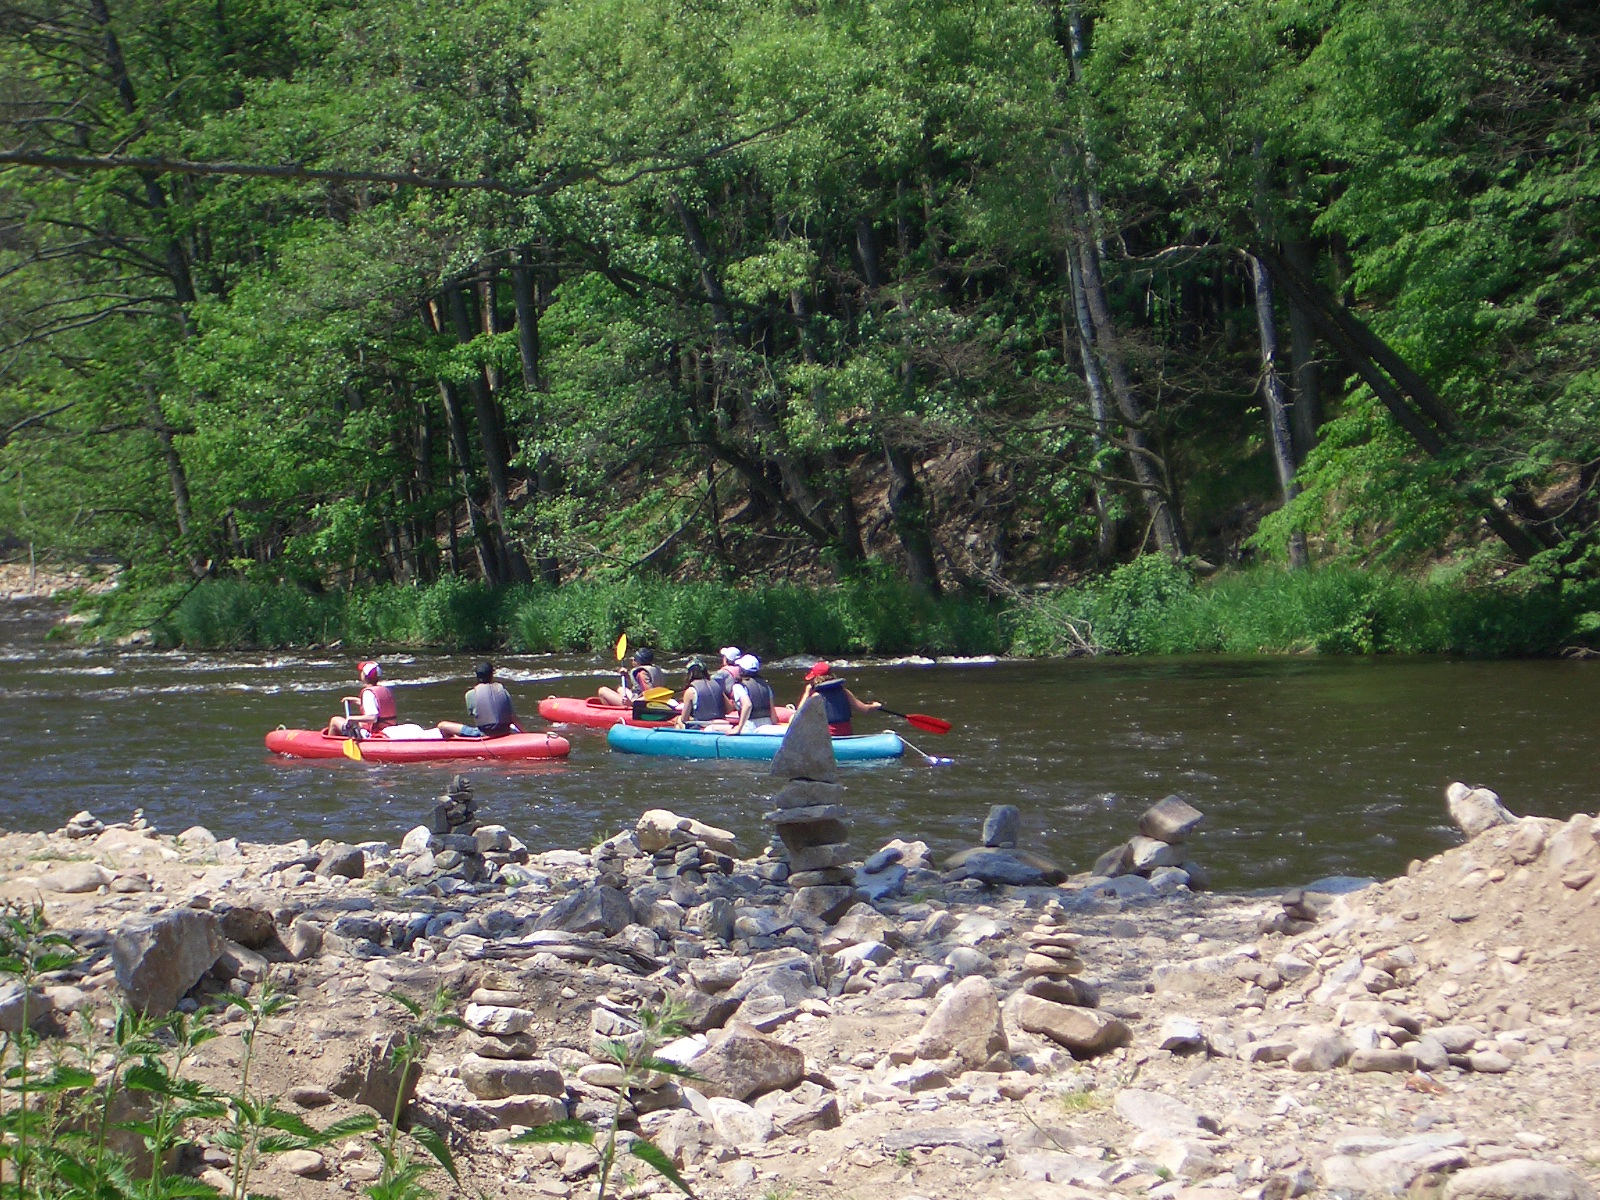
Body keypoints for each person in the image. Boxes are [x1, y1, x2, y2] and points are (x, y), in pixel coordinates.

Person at [796, 661, 882, 736]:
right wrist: (875, 706)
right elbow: (865, 709)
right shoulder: (844, 691)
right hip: (846, 734)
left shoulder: (816, 696)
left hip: (826, 738)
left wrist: (807, 693)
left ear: (816, 678)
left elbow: (798, 716)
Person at [439, 660, 520, 738]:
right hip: (505, 731)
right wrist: (524, 733)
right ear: (492, 675)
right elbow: (513, 717)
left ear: (477, 676)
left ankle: (457, 741)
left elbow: (475, 716)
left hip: (483, 734)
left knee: (442, 725)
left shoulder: (470, 694)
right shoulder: (503, 691)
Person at [326, 661, 399, 738]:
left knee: (334, 721)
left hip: (373, 733)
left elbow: (373, 718)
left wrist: (352, 718)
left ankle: (330, 744)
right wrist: (356, 700)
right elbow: (377, 706)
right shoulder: (384, 690)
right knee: (358, 724)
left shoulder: (368, 693)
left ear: (364, 675)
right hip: (387, 728)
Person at [674, 658, 733, 730]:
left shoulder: (690, 691)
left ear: (689, 674)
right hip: (720, 722)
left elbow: (684, 719)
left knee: (679, 719)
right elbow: (729, 709)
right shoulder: (717, 685)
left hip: (702, 725)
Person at [728, 653, 777, 734]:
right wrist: (774, 724)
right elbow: (772, 710)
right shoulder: (765, 685)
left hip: (750, 726)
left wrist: (739, 728)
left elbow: (747, 704)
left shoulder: (739, 686)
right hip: (767, 724)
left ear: (742, 670)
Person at [598, 647, 664, 707]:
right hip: (641, 700)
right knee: (620, 689)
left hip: (638, 705)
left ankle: (615, 712)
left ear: (639, 662)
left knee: (602, 691)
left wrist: (631, 702)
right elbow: (639, 686)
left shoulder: (641, 674)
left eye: (634, 659)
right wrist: (627, 676)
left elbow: (650, 696)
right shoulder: (653, 669)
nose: (632, 660)